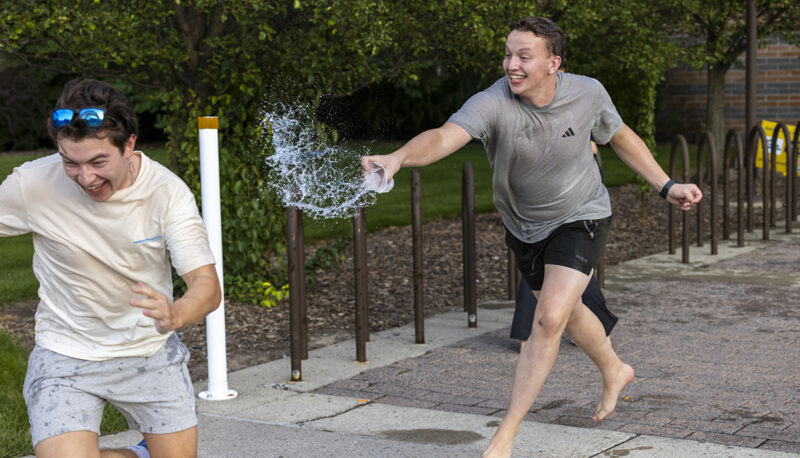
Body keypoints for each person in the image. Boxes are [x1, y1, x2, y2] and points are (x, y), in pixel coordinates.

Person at [361, 16, 702, 458]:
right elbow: (445, 137)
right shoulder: (493, 102)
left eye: (524, 56)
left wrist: (666, 185)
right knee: (568, 311)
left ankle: (505, 434)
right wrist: (399, 157)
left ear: (553, 63)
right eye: (508, 54)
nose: (512, 65)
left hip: (582, 214)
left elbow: (620, 136)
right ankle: (615, 369)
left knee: (548, 317)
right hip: (524, 227)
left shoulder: (588, 93)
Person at [0, 78, 221, 458]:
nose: (86, 178)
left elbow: (206, 285)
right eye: (71, 162)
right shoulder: (33, 184)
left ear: (129, 144)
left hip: (148, 351)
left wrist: (177, 312)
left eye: (98, 162)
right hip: (65, 352)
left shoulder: (166, 193)